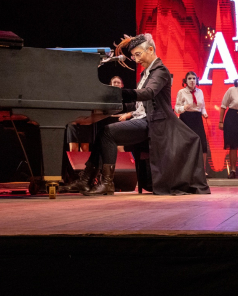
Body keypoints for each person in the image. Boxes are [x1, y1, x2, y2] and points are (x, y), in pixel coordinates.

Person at [68, 33, 210, 196]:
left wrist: (117, 93)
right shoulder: (146, 73)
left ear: (150, 50)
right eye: (133, 56)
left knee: (107, 133)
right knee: (103, 133)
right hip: (144, 119)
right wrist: (111, 105)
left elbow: (148, 93)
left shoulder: (160, 71)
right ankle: (85, 180)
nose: (135, 59)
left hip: (156, 123)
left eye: (137, 54)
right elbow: (138, 104)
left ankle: (106, 183)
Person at [175, 71, 209, 175]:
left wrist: (204, 113)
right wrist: (184, 108)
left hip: (197, 118)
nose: (192, 80)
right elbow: (176, 108)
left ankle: (202, 170)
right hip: (186, 118)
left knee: (202, 143)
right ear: (185, 81)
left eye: (194, 78)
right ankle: (185, 170)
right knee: (186, 144)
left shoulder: (200, 92)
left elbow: (202, 106)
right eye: (189, 78)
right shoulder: (181, 92)